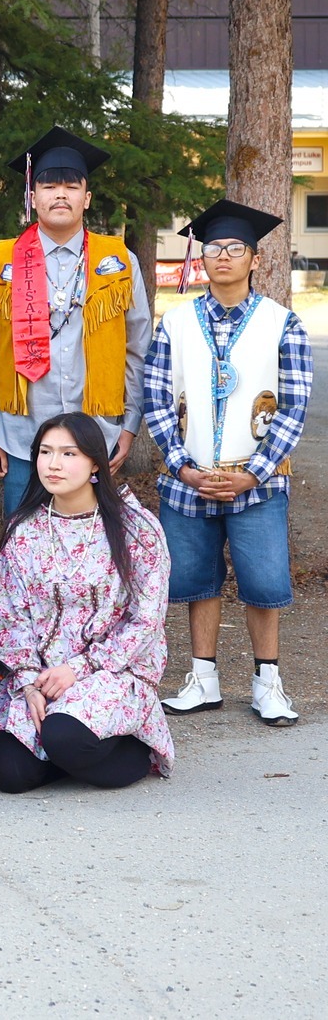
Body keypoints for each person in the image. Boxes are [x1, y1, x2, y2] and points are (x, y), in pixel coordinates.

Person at [145, 199, 310, 726]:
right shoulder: (175, 324)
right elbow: (155, 399)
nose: (222, 255)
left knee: (264, 583)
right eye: (213, 247)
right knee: (197, 579)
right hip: (188, 478)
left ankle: (268, 683)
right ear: (202, 257)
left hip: (257, 482)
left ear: (255, 259)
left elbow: (294, 406)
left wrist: (252, 473)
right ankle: (203, 679)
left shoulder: (282, 324)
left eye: (235, 248)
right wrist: (182, 466)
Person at [0, 412, 174, 793]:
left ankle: (135, 746)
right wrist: (28, 683)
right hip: (43, 676)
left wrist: (80, 668)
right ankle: (71, 755)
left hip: (110, 672)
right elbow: (9, 617)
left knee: (62, 735)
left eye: (68, 454)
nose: (53, 464)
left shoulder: (135, 528)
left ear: (95, 464)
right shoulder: (24, 530)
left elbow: (146, 620)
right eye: (45, 452)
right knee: (5, 772)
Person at [0, 127, 152, 515]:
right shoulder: (1, 261)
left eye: (71, 186)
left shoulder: (119, 261)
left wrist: (129, 425)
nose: (61, 195)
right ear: (33, 197)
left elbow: (137, 349)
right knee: (21, 538)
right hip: (20, 436)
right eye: (49, 186)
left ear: (87, 198)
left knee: (93, 541)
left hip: (96, 435)